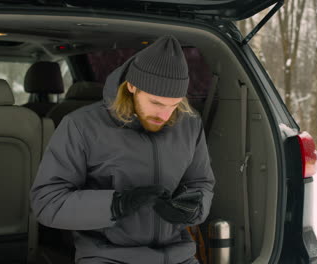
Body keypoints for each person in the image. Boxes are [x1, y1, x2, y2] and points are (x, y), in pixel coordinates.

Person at [30, 35, 215, 264]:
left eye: (174, 105)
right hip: (108, 256)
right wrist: (115, 204)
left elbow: (201, 183)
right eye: (156, 103)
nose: (166, 116)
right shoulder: (81, 126)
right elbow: (47, 202)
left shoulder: (190, 123)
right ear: (132, 86)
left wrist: (193, 208)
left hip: (179, 256)